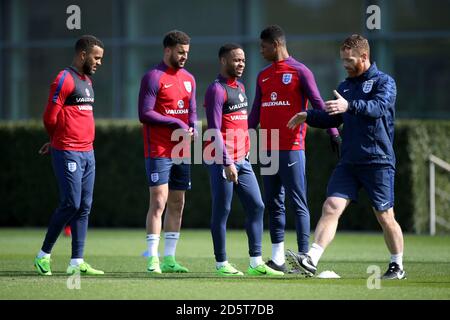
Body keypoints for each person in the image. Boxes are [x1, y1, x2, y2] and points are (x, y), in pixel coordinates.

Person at [285, 34, 406, 280]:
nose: (345, 64)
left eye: (349, 60)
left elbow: (377, 109)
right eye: (342, 60)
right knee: (331, 206)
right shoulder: (345, 86)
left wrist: (349, 106)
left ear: (364, 57)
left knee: (385, 216)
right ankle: (311, 259)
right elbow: (334, 118)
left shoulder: (385, 83)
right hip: (349, 161)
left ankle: (397, 266)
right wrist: (308, 115)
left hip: (378, 161)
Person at [248, 25, 341, 272]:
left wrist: (333, 132)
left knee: (297, 202)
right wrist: (240, 138)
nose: (260, 51)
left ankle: (303, 259)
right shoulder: (263, 76)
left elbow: (318, 103)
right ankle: (278, 260)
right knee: (273, 203)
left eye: (263, 46)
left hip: (291, 147)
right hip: (266, 148)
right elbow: (255, 112)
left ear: (276, 45)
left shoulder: (300, 71)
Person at [204, 43, 284, 276]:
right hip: (222, 160)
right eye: (236, 60)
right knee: (223, 210)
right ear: (223, 61)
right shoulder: (216, 90)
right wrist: (227, 161)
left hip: (243, 160)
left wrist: (245, 153)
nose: (240, 64)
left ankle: (255, 263)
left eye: (243, 61)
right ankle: (221, 264)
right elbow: (215, 130)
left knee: (257, 206)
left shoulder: (240, 87)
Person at [34, 35, 105, 276]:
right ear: (83, 55)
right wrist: (55, 142)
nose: (99, 62)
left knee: (84, 206)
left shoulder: (87, 82)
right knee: (71, 204)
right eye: (96, 58)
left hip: (88, 152)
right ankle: (43, 255)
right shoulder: (63, 79)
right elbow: (49, 117)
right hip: (68, 151)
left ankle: (77, 261)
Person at [138, 30, 196, 274]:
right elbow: (145, 113)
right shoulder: (153, 77)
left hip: (181, 148)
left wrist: (191, 125)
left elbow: (191, 110)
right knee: (159, 200)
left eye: (187, 53)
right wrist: (176, 124)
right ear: (168, 50)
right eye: (180, 52)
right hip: (158, 148)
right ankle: (152, 258)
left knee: (178, 202)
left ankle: (169, 259)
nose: (184, 57)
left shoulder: (189, 79)